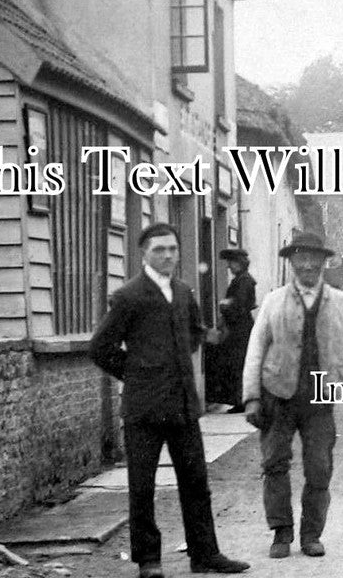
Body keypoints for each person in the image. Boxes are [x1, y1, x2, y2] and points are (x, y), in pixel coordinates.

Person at [90, 222, 250, 578]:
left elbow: (193, 333)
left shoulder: (182, 291)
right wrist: (135, 375)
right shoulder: (128, 296)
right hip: (143, 410)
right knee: (142, 487)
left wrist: (196, 347)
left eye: (173, 249)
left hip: (182, 407)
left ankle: (205, 554)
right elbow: (100, 347)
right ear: (143, 254)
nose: (167, 256)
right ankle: (149, 561)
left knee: (196, 483)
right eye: (159, 250)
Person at [241, 231, 343, 559]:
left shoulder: (342, 303)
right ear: (292, 262)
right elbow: (256, 348)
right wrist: (251, 396)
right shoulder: (274, 301)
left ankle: (310, 534)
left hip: (320, 400)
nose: (306, 264)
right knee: (275, 463)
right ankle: (281, 532)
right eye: (300, 258)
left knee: (319, 467)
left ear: (324, 261)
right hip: (277, 396)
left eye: (313, 258)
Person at [204, 248, 257, 413]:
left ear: (240, 263)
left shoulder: (244, 281)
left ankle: (240, 400)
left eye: (231, 263)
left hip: (239, 329)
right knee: (235, 364)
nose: (229, 267)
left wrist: (225, 305)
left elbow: (240, 304)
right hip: (238, 327)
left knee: (237, 364)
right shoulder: (242, 280)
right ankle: (238, 399)